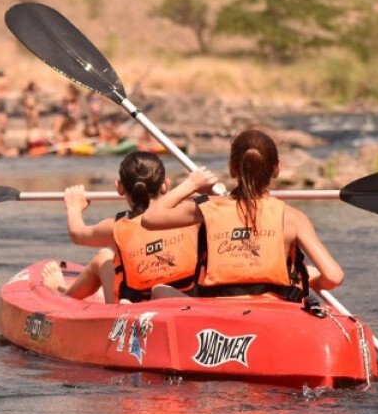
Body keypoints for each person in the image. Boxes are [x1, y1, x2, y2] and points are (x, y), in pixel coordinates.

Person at [141, 129, 344, 301]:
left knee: (160, 290)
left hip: (216, 310)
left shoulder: (206, 208)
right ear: (276, 169)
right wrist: (308, 282)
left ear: (232, 169)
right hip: (274, 310)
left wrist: (191, 184)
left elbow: (150, 218)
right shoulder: (292, 217)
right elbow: (334, 277)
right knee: (310, 272)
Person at [42, 152, 200, 304]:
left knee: (103, 257)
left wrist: (73, 206)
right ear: (165, 185)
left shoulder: (114, 228)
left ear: (119, 187)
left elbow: (77, 234)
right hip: (185, 301)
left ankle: (64, 295)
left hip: (133, 310)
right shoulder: (192, 214)